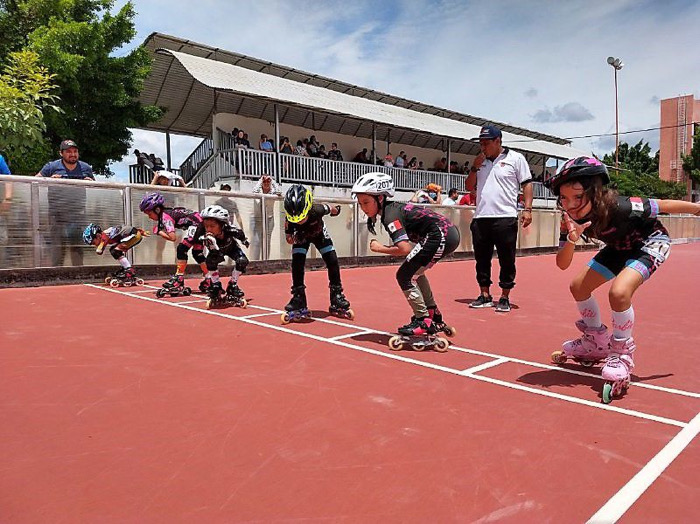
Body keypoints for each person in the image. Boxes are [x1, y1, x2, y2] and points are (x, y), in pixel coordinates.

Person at [545, 156, 700, 403]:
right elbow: (562, 264)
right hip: (618, 248)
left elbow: (664, 205)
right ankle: (596, 342)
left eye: (577, 197)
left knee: (619, 293)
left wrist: (698, 209)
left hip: (650, 243)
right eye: (564, 198)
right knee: (578, 286)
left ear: (595, 192)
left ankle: (621, 353)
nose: (570, 205)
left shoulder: (623, 206)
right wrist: (571, 237)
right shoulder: (570, 219)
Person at [351, 172, 460, 339]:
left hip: (440, 234)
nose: (363, 207)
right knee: (415, 272)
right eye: (360, 203)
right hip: (446, 233)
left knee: (404, 275)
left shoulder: (389, 215)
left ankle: (423, 319)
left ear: (380, 198)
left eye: (366, 202)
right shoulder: (393, 209)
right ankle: (432, 315)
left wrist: (380, 248)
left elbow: (404, 248)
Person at [465, 125, 533, 313]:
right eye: (481, 143)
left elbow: (527, 184)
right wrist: (474, 167)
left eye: (486, 143)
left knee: (507, 259)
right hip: (481, 217)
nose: (482, 146)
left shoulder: (516, 159)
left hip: (505, 217)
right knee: (481, 259)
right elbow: (469, 186)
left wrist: (527, 209)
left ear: (498, 141)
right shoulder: (480, 162)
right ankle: (485, 294)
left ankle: (504, 296)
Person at [282, 184, 352, 320]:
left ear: (308, 209)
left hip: (319, 234)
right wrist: (296, 237)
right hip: (301, 237)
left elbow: (330, 208)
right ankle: (298, 297)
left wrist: (337, 210)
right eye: (296, 220)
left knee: (332, 260)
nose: (299, 221)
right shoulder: (289, 219)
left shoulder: (317, 210)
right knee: (297, 263)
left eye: (302, 218)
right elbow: (289, 239)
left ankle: (337, 295)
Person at [36, 140, 95, 267]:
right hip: (56, 214)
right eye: (68, 152)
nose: (72, 154)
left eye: (75, 151)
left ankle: (78, 274)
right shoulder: (51, 166)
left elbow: (96, 188)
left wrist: (91, 183)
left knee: (77, 246)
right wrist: (48, 180)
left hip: (77, 214)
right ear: (61, 153)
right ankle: (57, 274)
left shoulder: (85, 168)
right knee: (57, 247)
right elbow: (35, 181)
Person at [139, 192, 209, 296]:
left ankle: (179, 279)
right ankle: (210, 278)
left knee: (182, 249)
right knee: (197, 253)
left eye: (149, 214)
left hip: (197, 225)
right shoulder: (168, 212)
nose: (149, 217)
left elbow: (173, 237)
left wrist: (160, 232)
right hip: (201, 223)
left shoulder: (165, 216)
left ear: (157, 210)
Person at [198, 205, 250, 308]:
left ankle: (232, 284)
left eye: (212, 226)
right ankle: (216, 284)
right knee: (210, 262)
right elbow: (193, 241)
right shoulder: (203, 232)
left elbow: (240, 233)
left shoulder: (230, 230)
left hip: (232, 248)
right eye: (206, 226)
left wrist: (244, 241)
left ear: (221, 225)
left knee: (242, 261)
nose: (209, 229)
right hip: (216, 252)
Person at [82, 223, 149, 285]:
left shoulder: (104, 236)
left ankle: (129, 270)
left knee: (115, 251)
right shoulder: (105, 234)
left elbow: (101, 248)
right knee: (114, 250)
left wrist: (99, 249)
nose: (94, 245)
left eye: (93, 243)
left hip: (134, 236)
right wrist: (142, 232)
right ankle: (126, 268)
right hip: (134, 234)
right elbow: (129, 229)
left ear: (98, 235)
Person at [250, 174, 282, 260]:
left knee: (267, 241)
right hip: (257, 219)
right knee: (256, 242)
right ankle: (255, 262)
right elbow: (254, 192)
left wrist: (273, 181)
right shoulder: (258, 190)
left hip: (269, 218)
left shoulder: (273, 191)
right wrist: (260, 180)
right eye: (264, 181)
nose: (266, 183)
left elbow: (279, 192)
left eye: (268, 181)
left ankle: (266, 261)